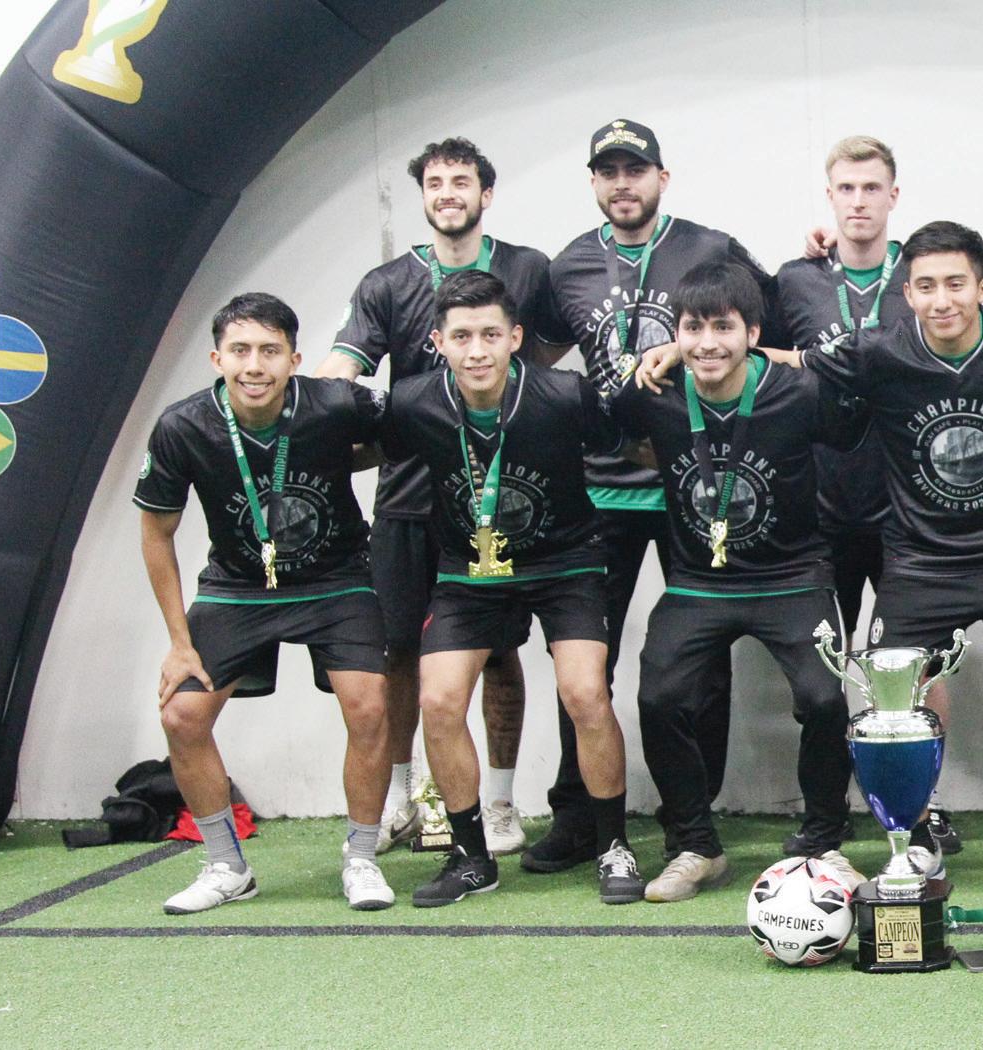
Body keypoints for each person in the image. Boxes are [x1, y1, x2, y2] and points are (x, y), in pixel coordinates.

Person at [653, 220, 983, 894]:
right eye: (926, 286)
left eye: (956, 284)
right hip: (921, 563)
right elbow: (792, 359)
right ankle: (920, 839)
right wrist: (679, 352)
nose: (941, 299)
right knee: (898, 701)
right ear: (908, 294)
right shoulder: (880, 349)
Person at [533, 119, 778, 874]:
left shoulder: (712, 248)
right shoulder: (569, 265)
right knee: (585, 663)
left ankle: (691, 823)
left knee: (700, 661)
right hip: (599, 493)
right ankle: (580, 816)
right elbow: (537, 356)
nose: (622, 184)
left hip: (694, 488)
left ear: (661, 178)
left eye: (634, 170)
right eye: (608, 171)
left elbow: (765, 329)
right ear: (593, 182)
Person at [321, 137, 563, 856]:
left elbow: (547, 353)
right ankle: (399, 799)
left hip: (499, 496)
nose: (448, 192)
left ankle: (500, 805)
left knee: (498, 653)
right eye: (435, 182)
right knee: (399, 650)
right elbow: (345, 367)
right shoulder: (388, 282)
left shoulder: (527, 268)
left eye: (462, 180)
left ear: (486, 194)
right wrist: (305, 403)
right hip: (407, 497)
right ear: (423, 196)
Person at [382, 271, 639, 907]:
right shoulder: (412, 403)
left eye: (491, 335)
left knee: (585, 692)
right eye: (462, 336)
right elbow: (354, 444)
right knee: (439, 700)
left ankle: (613, 845)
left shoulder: (563, 394)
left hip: (565, 562)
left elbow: (630, 444)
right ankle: (472, 857)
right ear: (438, 342)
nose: (477, 351)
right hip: (468, 570)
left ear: (516, 338)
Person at [612, 261, 867, 901]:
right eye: (692, 328)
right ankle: (695, 846)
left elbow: (855, 429)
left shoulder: (798, 392)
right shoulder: (654, 392)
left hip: (793, 575)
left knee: (824, 699)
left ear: (753, 332)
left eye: (723, 327)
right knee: (659, 698)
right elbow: (621, 434)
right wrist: (657, 361)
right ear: (675, 334)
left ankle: (824, 844)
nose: (708, 343)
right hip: (699, 582)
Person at [137, 293, 394, 913]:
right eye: (241, 350)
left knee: (368, 706)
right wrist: (178, 643)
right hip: (237, 588)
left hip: (337, 580)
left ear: (295, 360)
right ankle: (226, 866)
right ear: (217, 359)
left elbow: (413, 427)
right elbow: (156, 535)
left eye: (270, 351)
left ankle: (362, 857)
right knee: (182, 716)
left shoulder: (337, 403)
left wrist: (356, 455)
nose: (255, 365)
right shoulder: (182, 426)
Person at [768, 135, 910, 859]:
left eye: (871, 187)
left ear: (894, 195)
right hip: (818, 507)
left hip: (905, 504)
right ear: (830, 197)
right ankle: (826, 814)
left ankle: (920, 808)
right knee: (824, 676)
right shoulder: (796, 281)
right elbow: (747, 352)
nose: (859, 201)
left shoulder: (920, 273)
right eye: (846, 189)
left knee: (911, 664)